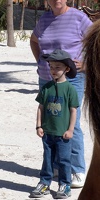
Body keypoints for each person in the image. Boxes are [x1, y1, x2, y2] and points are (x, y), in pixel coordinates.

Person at [30, 0, 92, 188]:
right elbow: (34, 40)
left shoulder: (79, 18)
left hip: (71, 79)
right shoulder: (45, 19)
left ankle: (77, 170)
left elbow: (96, 42)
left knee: (71, 121)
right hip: (46, 79)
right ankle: (56, 166)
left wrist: (87, 64)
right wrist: (41, 61)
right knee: (51, 121)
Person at [30, 49, 79, 199]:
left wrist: (70, 130)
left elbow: (73, 111)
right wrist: (39, 126)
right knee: (48, 159)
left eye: (57, 67)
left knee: (64, 160)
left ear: (67, 69)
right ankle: (44, 183)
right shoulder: (46, 87)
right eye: (51, 67)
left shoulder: (70, 89)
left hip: (63, 134)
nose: (53, 70)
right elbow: (41, 108)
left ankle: (65, 185)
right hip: (47, 132)